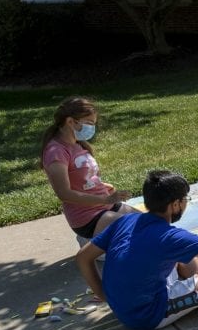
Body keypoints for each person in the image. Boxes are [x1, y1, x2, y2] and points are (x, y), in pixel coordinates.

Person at [75, 170, 198, 330]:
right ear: (175, 204)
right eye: (185, 200)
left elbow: (83, 257)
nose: (185, 204)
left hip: (122, 304)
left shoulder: (125, 221)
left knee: (182, 255)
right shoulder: (170, 236)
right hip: (147, 315)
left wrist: (102, 294)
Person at [41, 97, 137, 240]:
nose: (92, 128)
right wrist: (106, 199)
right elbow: (64, 193)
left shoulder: (78, 145)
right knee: (143, 236)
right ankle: (93, 244)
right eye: (89, 123)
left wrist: (103, 187)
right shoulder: (56, 152)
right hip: (88, 217)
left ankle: (97, 243)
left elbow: (83, 179)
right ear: (70, 122)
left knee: (152, 224)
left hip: (106, 206)